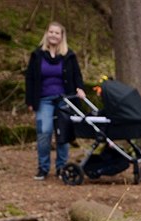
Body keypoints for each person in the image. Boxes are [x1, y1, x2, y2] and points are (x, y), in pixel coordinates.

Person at [25, 21, 86, 180]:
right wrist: (30, 101)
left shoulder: (69, 55)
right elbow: (30, 78)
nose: (53, 35)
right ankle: (43, 168)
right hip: (43, 99)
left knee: (63, 133)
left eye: (57, 33)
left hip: (64, 99)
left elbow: (77, 75)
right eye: (51, 32)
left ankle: (61, 167)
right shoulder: (37, 55)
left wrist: (80, 88)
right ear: (47, 34)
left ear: (61, 36)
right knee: (44, 131)